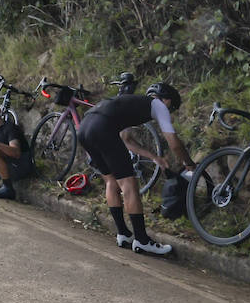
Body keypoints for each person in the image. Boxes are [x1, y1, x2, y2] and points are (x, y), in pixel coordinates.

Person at [77, 82, 196, 257]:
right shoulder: (159, 106)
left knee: (111, 181)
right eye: (172, 108)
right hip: (101, 127)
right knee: (129, 185)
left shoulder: (129, 103)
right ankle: (142, 240)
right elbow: (173, 142)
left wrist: (154, 157)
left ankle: (123, 234)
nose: (169, 112)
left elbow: (125, 139)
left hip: (85, 127)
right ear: (167, 101)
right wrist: (189, 163)